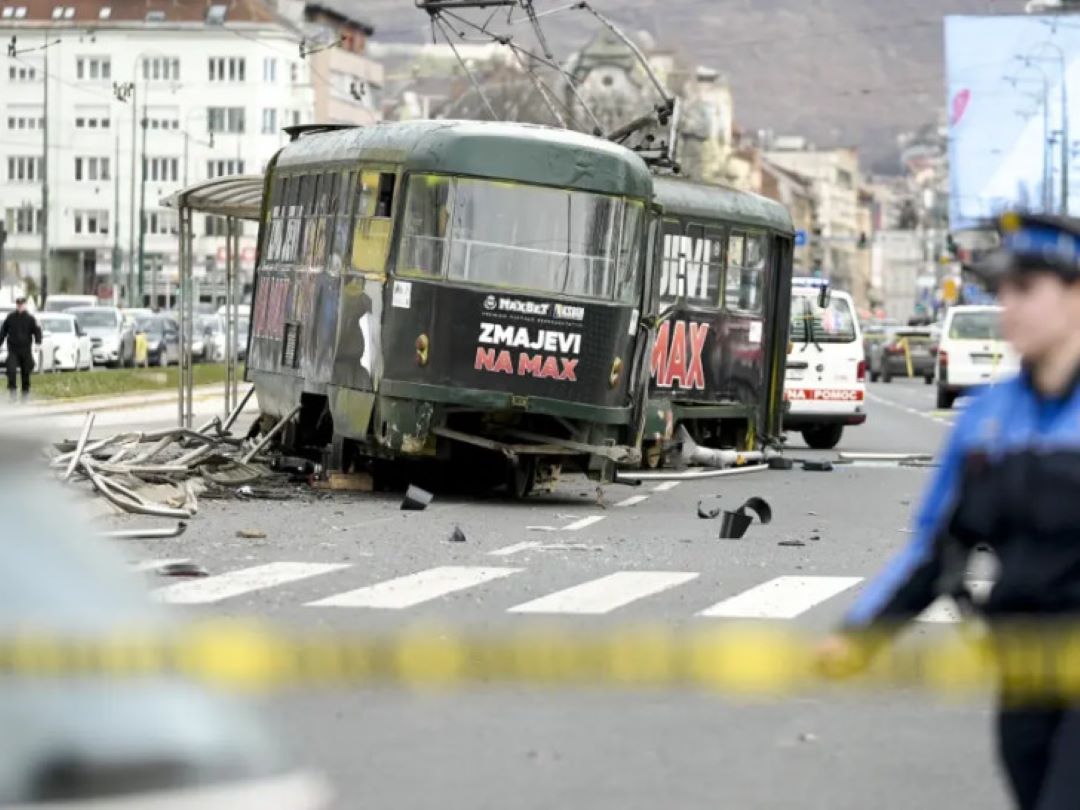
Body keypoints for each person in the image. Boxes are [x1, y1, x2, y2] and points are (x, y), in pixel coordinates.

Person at [821, 211, 1080, 810]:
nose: (1008, 306)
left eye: (1026, 290)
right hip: (1024, 667)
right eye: (1002, 290)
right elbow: (938, 548)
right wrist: (862, 636)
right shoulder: (989, 418)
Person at [0, 297, 42, 401]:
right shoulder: (10, 317)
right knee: (11, 370)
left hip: (25, 349)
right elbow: (3, 331)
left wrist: (38, 342)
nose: (19, 306)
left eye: (21, 304)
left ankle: (25, 393)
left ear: (25, 305)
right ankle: (12, 393)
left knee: (25, 372)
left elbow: (37, 330)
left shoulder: (30, 318)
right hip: (13, 349)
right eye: (18, 304)